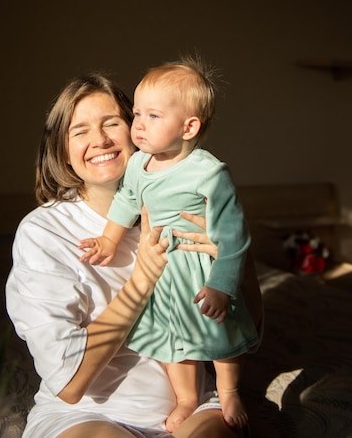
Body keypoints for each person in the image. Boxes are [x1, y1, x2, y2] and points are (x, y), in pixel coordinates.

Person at [5, 71, 261, 438]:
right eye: (80, 131)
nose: (100, 140)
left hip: (191, 407)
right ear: (62, 150)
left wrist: (235, 262)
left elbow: (248, 328)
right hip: (88, 414)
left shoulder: (189, 202)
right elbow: (70, 383)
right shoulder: (44, 232)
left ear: (138, 129)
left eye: (112, 123)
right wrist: (142, 278)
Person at [79, 56, 259, 433]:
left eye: (153, 117)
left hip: (201, 268)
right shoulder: (139, 163)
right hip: (163, 272)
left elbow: (233, 234)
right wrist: (110, 239)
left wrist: (221, 286)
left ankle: (228, 392)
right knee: (172, 339)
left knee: (221, 333)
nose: (139, 125)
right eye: (137, 114)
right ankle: (187, 398)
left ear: (189, 126)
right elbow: (127, 200)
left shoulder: (208, 172)